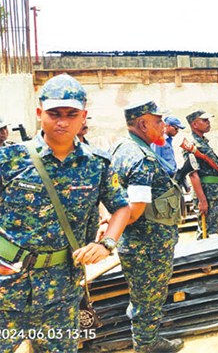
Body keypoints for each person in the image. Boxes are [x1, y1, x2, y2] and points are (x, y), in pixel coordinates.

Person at [0, 74, 130, 352]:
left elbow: (121, 206)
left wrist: (107, 243)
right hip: (5, 285)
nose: (62, 122)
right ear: (39, 114)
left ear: (84, 116)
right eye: (54, 114)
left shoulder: (98, 164)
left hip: (60, 290)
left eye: (71, 114)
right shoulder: (9, 160)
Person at [110, 100, 185, 353]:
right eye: (158, 121)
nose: (163, 126)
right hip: (149, 246)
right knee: (149, 299)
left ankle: (146, 340)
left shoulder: (121, 148)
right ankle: (147, 345)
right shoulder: (142, 160)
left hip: (136, 244)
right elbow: (133, 211)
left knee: (142, 297)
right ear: (142, 124)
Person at [185, 110, 218, 237]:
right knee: (206, 231)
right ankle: (206, 256)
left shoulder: (202, 143)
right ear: (194, 125)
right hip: (206, 194)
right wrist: (202, 200)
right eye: (204, 120)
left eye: (208, 120)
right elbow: (193, 174)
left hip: (213, 192)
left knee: (212, 229)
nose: (208, 123)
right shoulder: (192, 145)